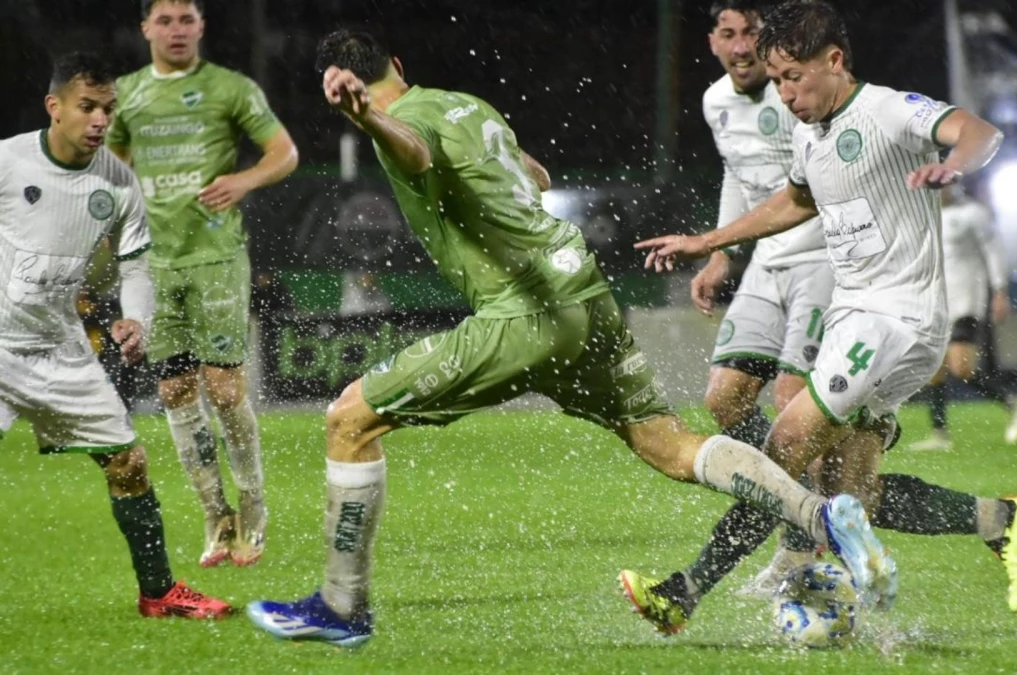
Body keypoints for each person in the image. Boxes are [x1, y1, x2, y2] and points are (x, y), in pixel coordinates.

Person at [245, 29, 896, 649]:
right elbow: (537, 177)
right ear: (399, 64)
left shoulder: (402, 124)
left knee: (349, 418)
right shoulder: (469, 107)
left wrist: (368, 122)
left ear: (352, 87)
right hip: (582, 292)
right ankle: (821, 516)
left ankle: (341, 606)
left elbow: (413, 150)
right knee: (668, 444)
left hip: (524, 311)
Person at [632, 0, 1017, 631]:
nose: (786, 94)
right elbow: (795, 200)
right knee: (853, 494)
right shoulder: (808, 131)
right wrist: (708, 243)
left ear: (835, 60)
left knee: (784, 445)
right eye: (777, 82)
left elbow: (981, 133)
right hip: (857, 316)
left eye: (795, 77)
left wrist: (950, 165)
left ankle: (686, 591)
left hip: (897, 321)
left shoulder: (887, 109)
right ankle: (1002, 521)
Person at [0, 51, 230, 619]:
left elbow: (134, 266)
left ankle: (157, 594)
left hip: (62, 350)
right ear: (55, 108)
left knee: (127, 464)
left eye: (108, 108)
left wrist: (136, 318)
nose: (100, 119)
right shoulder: (7, 162)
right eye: (87, 107)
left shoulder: (120, 184)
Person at [107, 0, 299, 568]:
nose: (176, 30)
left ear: (201, 27)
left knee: (225, 389)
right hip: (153, 263)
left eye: (186, 19)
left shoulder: (230, 89)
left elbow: (284, 154)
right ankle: (217, 517)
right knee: (173, 390)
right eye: (164, 20)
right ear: (145, 28)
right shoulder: (126, 95)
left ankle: (254, 507)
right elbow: (111, 172)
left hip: (216, 257)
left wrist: (243, 180)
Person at [690, 0, 835, 597]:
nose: (743, 45)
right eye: (730, 34)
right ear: (714, 43)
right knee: (724, 400)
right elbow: (736, 173)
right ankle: (795, 498)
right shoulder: (713, 102)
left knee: (789, 397)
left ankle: (801, 548)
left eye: (752, 32)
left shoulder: (794, 92)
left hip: (822, 257)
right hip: (765, 264)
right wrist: (722, 253)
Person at [909, 187, 1017, 451]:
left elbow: (994, 251)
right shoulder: (925, 214)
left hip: (966, 300)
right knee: (934, 368)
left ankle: (1009, 399)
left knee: (961, 368)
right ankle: (940, 435)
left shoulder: (972, 213)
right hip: (935, 303)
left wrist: (999, 291)